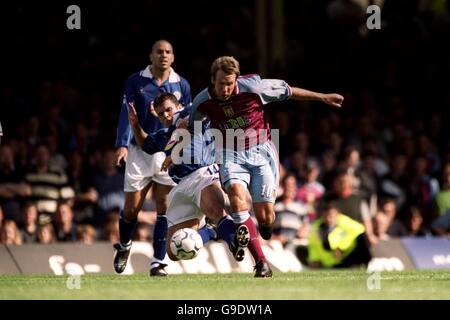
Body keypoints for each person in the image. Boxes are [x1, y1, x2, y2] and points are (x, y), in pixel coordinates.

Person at [189, 56, 343, 275]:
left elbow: (289, 91)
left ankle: (263, 226)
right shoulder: (202, 101)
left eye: (229, 83)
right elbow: (194, 129)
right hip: (230, 154)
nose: (225, 88)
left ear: (237, 79)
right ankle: (261, 262)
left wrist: (322, 97)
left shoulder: (254, 87)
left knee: (266, 218)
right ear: (212, 79)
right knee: (236, 197)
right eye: (221, 83)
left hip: (261, 153)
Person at [128, 93, 251, 269]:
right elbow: (146, 144)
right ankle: (211, 231)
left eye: (168, 110)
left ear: (179, 106)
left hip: (202, 175)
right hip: (180, 188)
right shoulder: (166, 135)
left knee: (217, 211)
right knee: (172, 250)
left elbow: (201, 111)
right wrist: (134, 124)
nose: (166, 116)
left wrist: (175, 150)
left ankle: (235, 240)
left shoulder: (192, 113)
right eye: (161, 114)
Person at [113, 40, 192, 276]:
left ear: (173, 57)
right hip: (140, 150)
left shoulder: (182, 84)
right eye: (159, 51)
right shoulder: (135, 81)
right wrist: (122, 145)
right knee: (131, 210)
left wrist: (176, 151)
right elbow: (127, 115)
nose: (163, 55)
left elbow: (186, 121)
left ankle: (158, 262)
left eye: (168, 51)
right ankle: (125, 245)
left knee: (164, 207)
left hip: (166, 148)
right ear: (151, 56)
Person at [308, 201, 372, 268]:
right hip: (328, 263)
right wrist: (314, 259)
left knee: (362, 239)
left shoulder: (344, 223)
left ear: (338, 215)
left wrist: (341, 248)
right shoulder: (317, 228)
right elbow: (313, 246)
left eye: (331, 215)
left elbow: (360, 230)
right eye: (326, 215)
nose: (328, 219)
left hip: (347, 258)